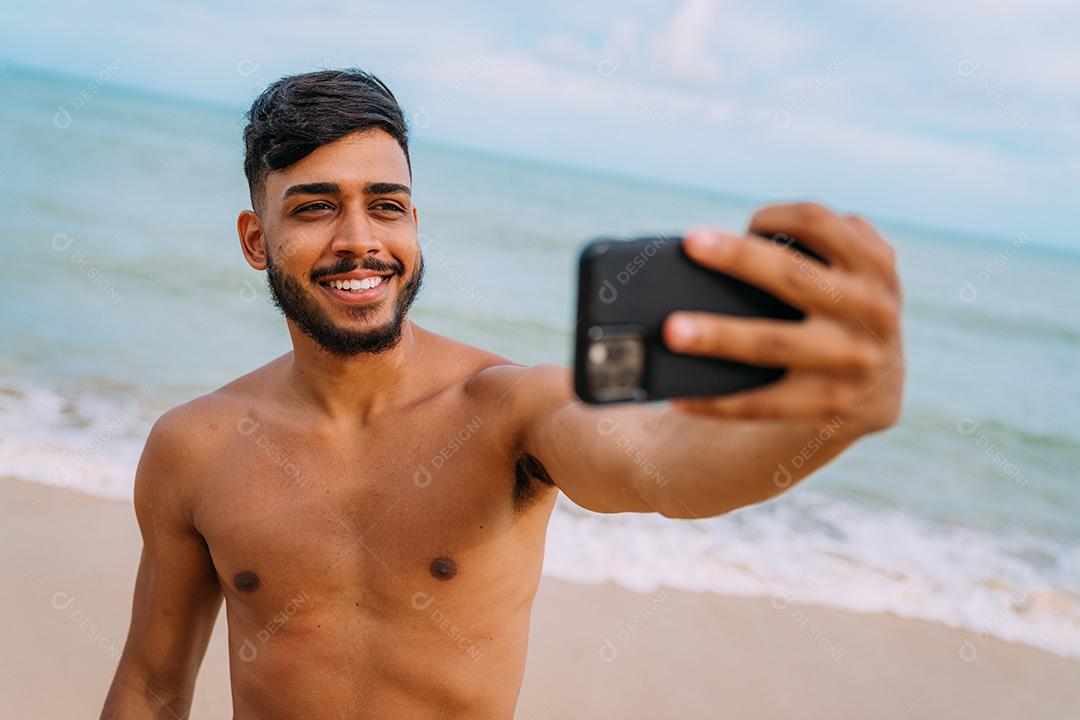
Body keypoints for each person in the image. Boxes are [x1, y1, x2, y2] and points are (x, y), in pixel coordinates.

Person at [100, 68, 903, 719]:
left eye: (387, 206)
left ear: (414, 225)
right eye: (315, 209)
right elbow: (150, 686)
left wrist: (822, 418)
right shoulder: (195, 447)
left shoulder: (509, 410)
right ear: (255, 240)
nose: (360, 240)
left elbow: (665, 471)